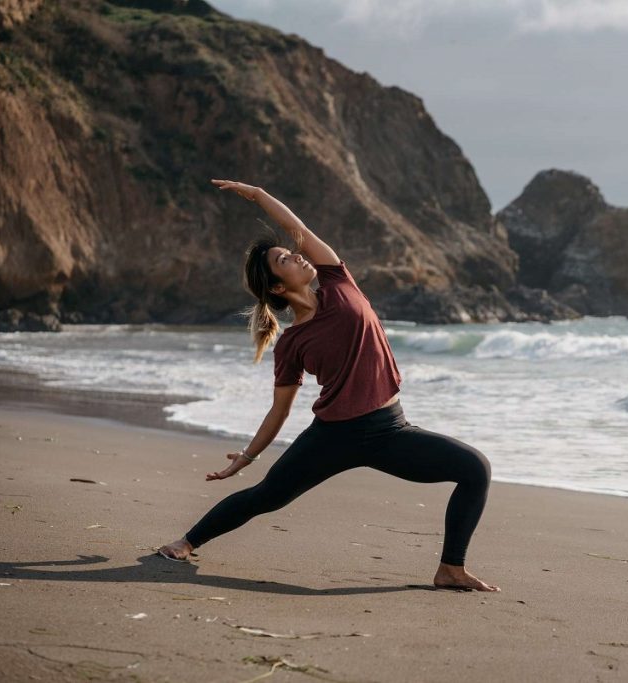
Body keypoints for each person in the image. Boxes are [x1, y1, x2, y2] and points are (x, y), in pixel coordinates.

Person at [156, 179, 499, 592]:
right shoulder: (292, 343)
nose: (297, 256)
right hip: (333, 437)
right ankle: (187, 541)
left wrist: (260, 195)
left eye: (291, 252)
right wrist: (245, 457)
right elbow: (279, 411)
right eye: (285, 260)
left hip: (391, 430)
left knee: (475, 469)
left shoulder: (338, 281)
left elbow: (296, 226)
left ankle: (450, 569)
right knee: (267, 496)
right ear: (279, 287)